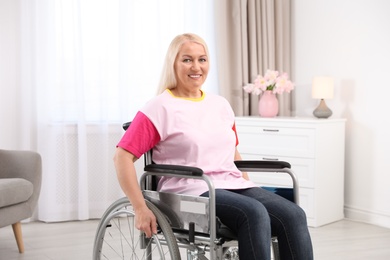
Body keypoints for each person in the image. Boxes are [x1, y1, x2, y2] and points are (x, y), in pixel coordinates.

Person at [113, 33, 313, 260]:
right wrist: (140, 207)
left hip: (231, 184)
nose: (196, 66)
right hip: (190, 191)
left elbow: (233, 154)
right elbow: (122, 157)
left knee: (294, 215)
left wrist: (248, 186)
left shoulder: (220, 105)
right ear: (173, 63)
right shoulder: (159, 107)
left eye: (202, 59)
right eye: (187, 59)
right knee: (254, 213)